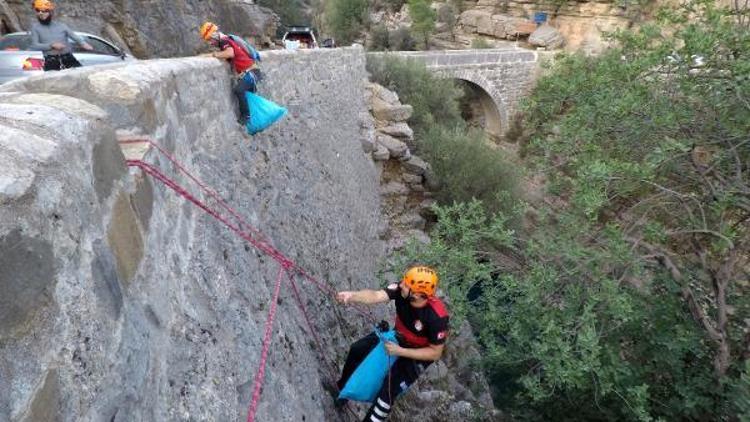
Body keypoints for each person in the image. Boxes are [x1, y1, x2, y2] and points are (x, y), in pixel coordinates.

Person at [336, 266, 449, 422]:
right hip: (397, 338)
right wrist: (352, 296)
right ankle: (341, 390)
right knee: (358, 350)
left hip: (416, 356)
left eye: (406, 284)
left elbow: (435, 352)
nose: (401, 284)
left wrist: (400, 351)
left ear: (417, 294)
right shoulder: (401, 291)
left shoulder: (437, 317)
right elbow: (375, 295)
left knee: (388, 393)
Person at [199, 21, 261, 127]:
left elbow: (230, 53)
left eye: (209, 39)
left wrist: (213, 55)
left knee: (239, 90)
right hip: (252, 72)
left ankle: (246, 116)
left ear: (214, 35)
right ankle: (253, 119)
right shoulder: (226, 40)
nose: (210, 43)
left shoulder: (224, 41)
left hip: (252, 73)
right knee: (246, 96)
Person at [29, 0, 93, 71]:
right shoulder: (35, 28)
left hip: (68, 58)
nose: (40, 13)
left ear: (51, 12)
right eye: (38, 11)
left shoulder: (61, 26)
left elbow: (73, 36)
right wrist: (51, 45)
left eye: (44, 11)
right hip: (51, 61)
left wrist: (83, 43)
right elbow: (35, 45)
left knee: (81, 75)